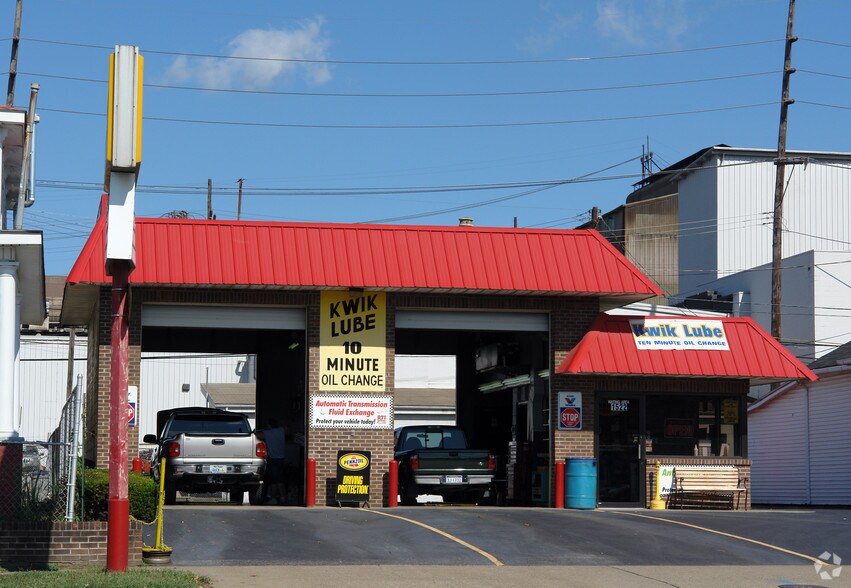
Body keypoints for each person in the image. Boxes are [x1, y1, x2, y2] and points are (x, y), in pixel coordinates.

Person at [257, 418, 287, 504]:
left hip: (272, 459)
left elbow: (258, 435)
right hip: (281, 459)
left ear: (269, 425)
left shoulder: (267, 433)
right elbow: (287, 428)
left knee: (273, 480)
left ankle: (273, 498)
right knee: (280, 479)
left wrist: (256, 431)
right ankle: (283, 497)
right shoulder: (281, 430)